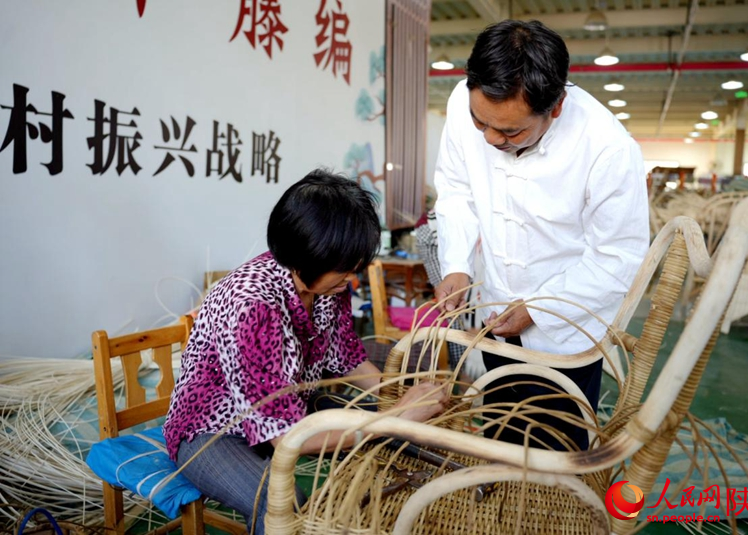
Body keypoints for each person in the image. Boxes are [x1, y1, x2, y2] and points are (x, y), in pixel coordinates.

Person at [163, 169, 447, 535]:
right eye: (346, 268)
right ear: (307, 256)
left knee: (392, 433)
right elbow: (287, 436)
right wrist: (396, 416)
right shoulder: (253, 307)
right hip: (213, 432)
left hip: (290, 406)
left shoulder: (329, 283)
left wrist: (400, 400)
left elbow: (349, 358)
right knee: (284, 504)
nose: (353, 278)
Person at [433, 20, 649, 451]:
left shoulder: (606, 148)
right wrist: (456, 263)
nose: (492, 139)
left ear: (556, 107)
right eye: (482, 125)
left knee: (555, 451)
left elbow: (617, 257)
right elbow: (456, 190)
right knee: (498, 441)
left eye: (511, 132)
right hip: (497, 318)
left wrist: (538, 309)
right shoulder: (464, 102)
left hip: (564, 334)